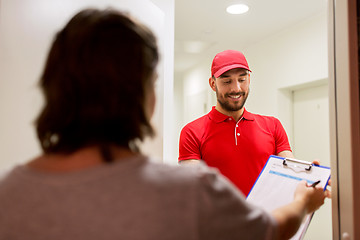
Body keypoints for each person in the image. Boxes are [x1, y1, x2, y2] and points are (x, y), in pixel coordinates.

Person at [0, 8, 326, 240]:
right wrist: (303, 202)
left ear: (51, 88)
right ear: (145, 94)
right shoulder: (188, 191)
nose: (237, 87)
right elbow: (269, 231)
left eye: (243, 79)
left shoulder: (7, 195)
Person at [179, 50, 295, 196]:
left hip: (264, 217)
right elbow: (192, 190)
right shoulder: (192, 132)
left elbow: (291, 174)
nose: (236, 88)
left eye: (242, 79)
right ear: (213, 84)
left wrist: (312, 178)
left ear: (249, 79)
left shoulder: (273, 126)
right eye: (227, 81)